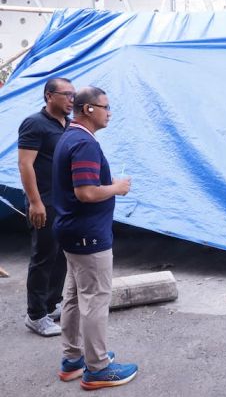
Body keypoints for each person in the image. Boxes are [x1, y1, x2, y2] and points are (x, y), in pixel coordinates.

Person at [52, 86, 138, 389]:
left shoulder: (70, 136)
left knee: (75, 297)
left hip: (71, 232)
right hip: (88, 236)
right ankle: (98, 368)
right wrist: (116, 188)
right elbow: (85, 192)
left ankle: (73, 359)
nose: (109, 112)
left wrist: (107, 181)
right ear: (88, 109)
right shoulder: (85, 143)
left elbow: (84, 182)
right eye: (105, 106)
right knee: (95, 301)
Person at [18, 77, 75, 337]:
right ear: (49, 96)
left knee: (61, 255)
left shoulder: (70, 125)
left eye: (74, 94)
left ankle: (51, 305)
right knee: (43, 256)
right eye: (66, 94)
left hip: (65, 202)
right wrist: (35, 201)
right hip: (44, 201)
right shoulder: (34, 124)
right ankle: (36, 315)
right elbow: (25, 164)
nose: (72, 99)